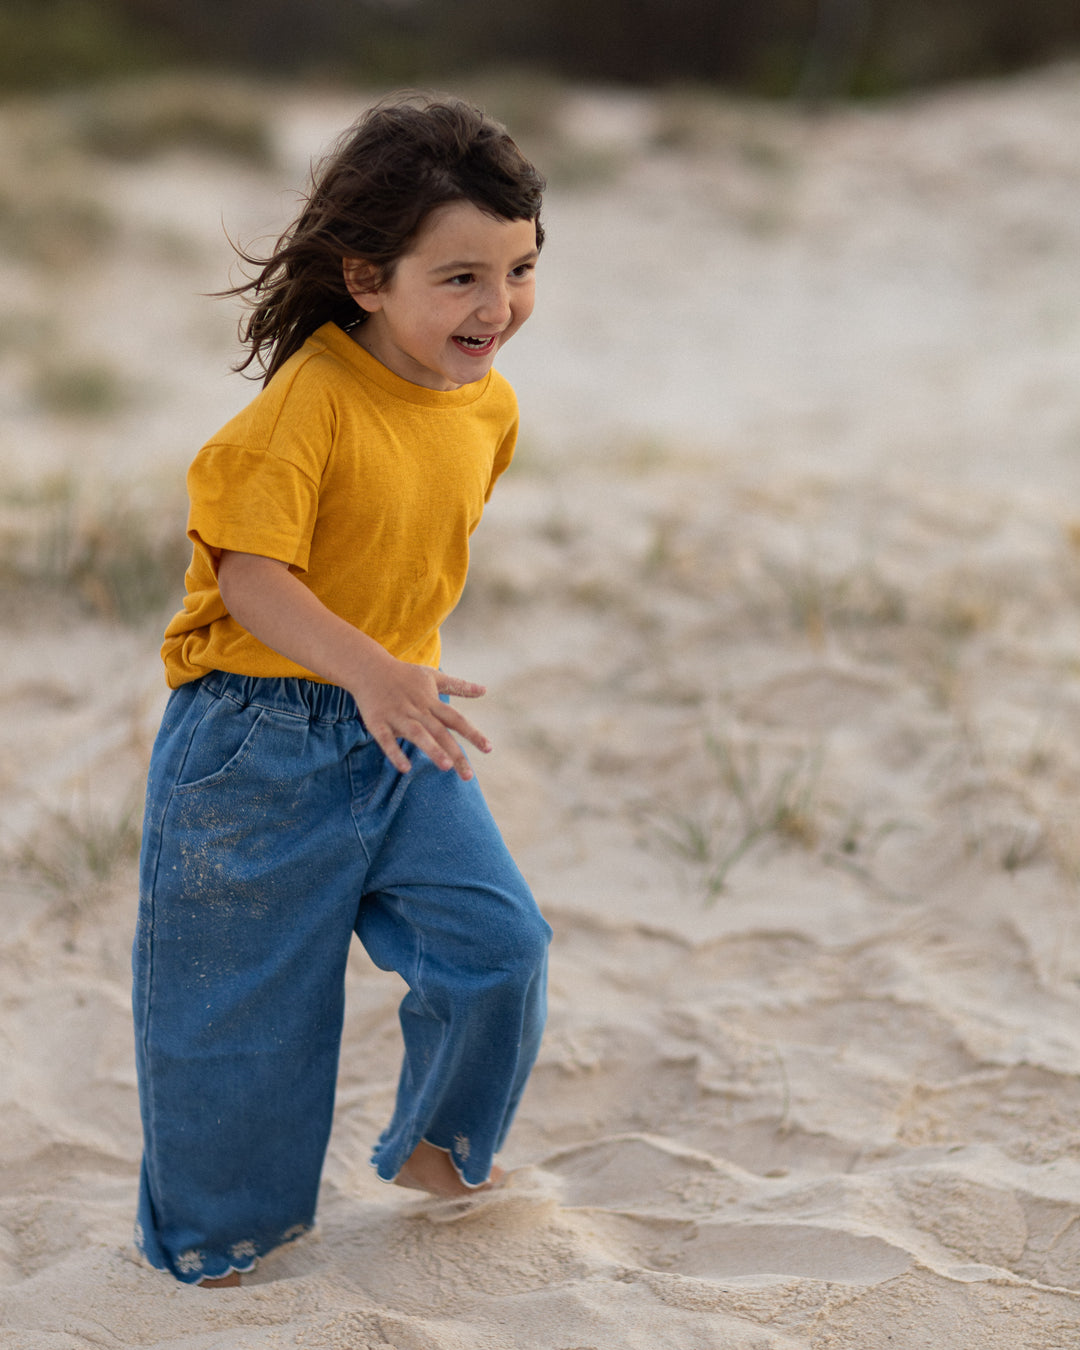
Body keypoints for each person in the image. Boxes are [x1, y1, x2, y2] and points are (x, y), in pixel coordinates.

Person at [131, 94, 552, 1288]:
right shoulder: (300, 410)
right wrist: (371, 669)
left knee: (499, 944)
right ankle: (220, 1239)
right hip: (255, 737)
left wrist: (391, 678)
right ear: (366, 277)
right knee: (240, 1015)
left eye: (519, 269)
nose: (498, 307)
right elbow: (254, 580)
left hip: (398, 723)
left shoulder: (489, 405)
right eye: (460, 277)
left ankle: (436, 1144)